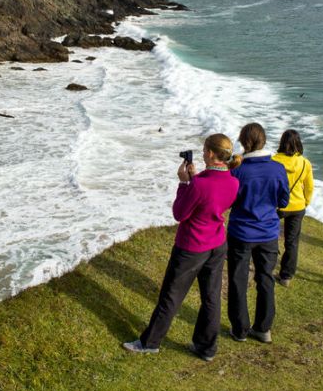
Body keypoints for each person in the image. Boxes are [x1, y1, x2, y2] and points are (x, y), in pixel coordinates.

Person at [123, 134, 240, 362]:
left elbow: (180, 213)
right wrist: (194, 178)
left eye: (204, 150)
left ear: (210, 154)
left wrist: (184, 183)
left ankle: (149, 343)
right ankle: (206, 348)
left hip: (192, 246)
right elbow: (211, 196)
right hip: (217, 244)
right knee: (211, 298)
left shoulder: (199, 185)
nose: (203, 152)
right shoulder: (233, 182)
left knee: (171, 296)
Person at [226, 123, 289, 344]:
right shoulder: (278, 168)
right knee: (265, 279)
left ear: (244, 142)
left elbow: (229, 201)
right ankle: (263, 328)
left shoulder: (238, 170)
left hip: (241, 232)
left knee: (238, 280)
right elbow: (284, 201)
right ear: (263, 141)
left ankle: (239, 329)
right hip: (268, 232)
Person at [272, 129, 315, 287]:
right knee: (292, 242)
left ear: (282, 142)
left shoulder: (274, 160)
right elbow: (309, 187)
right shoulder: (305, 163)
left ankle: (268, 266)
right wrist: (306, 202)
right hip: (297, 206)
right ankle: (286, 276)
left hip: (277, 205)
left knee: (270, 237)